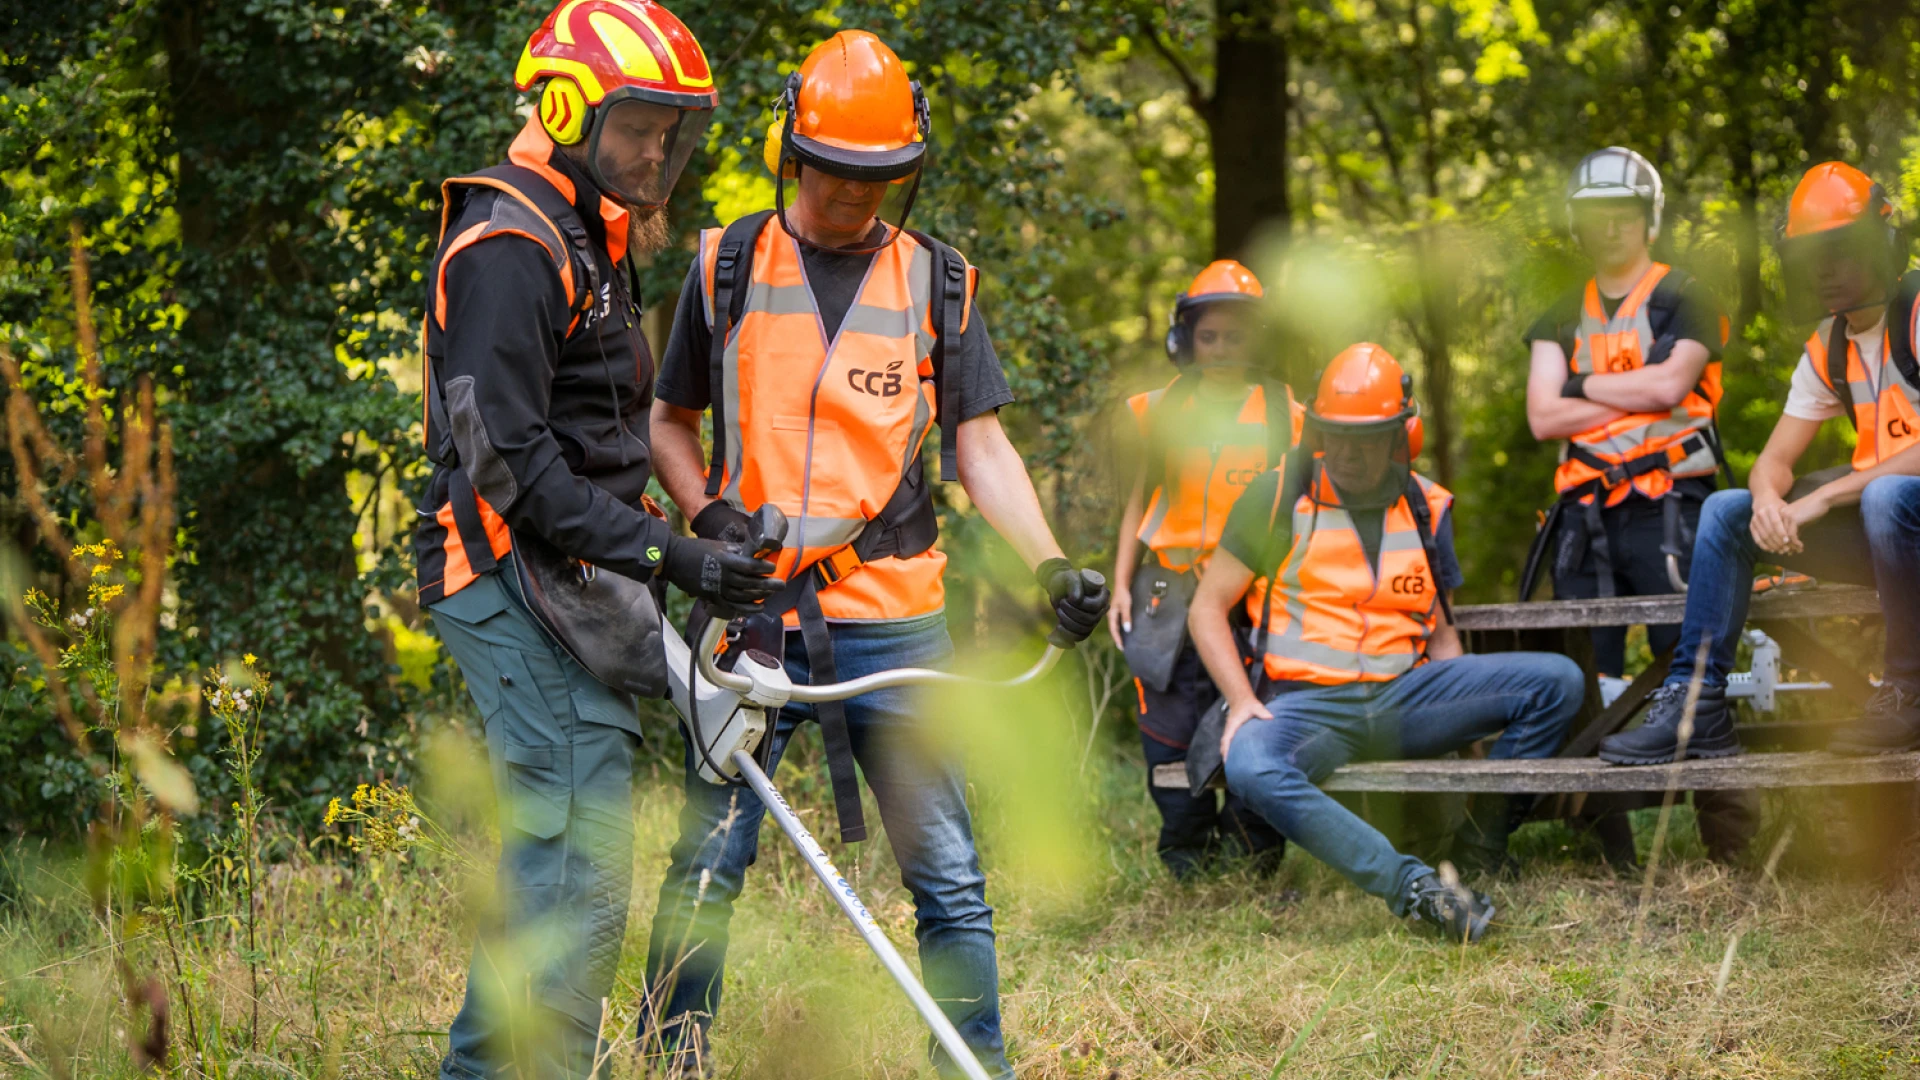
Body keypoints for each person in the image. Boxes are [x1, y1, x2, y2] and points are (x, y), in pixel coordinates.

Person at [639, 31, 1110, 1079]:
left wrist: (1049, 563)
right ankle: (674, 1059)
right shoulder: (724, 265)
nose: (856, 198)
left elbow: (979, 445)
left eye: (879, 179)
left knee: (945, 870)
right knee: (710, 855)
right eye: (838, 175)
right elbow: (666, 425)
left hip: (895, 612)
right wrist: (705, 517)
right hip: (750, 611)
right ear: (792, 154)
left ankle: (969, 1063)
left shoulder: (938, 282)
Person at [417, 4, 782, 1078]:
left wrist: (685, 534)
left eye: (674, 130)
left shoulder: (591, 227)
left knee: (570, 866)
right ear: (570, 111)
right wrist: (667, 558)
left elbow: (592, 439)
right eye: (639, 127)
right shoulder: (511, 246)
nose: (659, 150)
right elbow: (510, 464)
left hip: (561, 577)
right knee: (575, 867)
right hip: (500, 572)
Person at [1187, 344, 1585, 943]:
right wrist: (1242, 702)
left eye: (1366, 436)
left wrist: (1470, 738)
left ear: (1400, 433)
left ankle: (1474, 851)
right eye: (1333, 434)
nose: (1346, 451)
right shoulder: (1278, 497)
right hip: (1307, 705)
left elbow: (1442, 632)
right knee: (1249, 762)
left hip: (1408, 694)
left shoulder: (1427, 505)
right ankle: (1416, 889)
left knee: (1559, 682)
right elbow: (1206, 608)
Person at [1599, 161, 1920, 765]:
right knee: (1726, 510)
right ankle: (1697, 710)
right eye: (1811, 257)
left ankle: (1909, 692)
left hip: (1905, 519)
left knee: (1884, 497)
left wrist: (1823, 497)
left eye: (1841, 251)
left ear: (1882, 245)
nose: (1825, 270)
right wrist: (1771, 503)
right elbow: (1772, 461)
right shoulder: (1830, 345)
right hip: (1887, 536)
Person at [1522, 147, 1730, 705]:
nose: (1610, 228)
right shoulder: (1560, 312)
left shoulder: (1686, 297)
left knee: (1688, 673)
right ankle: (1586, 796)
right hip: (1584, 515)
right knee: (1580, 683)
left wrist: (1579, 385)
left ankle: (1711, 790)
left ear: (1648, 217)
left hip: (1672, 507)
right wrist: (1642, 390)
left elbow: (1671, 388)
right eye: (1596, 215)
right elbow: (1543, 416)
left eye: (1624, 212)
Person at [1110, 260, 1294, 879]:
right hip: (1168, 585)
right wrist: (1119, 583)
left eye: (1234, 337)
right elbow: (1139, 498)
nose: (1220, 349)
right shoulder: (1159, 410)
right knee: (1169, 716)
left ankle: (1253, 846)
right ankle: (1186, 849)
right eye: (1208, 337)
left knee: (1253, 706)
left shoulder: (1284, 412)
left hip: (1250, 590)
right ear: (1186, 339)